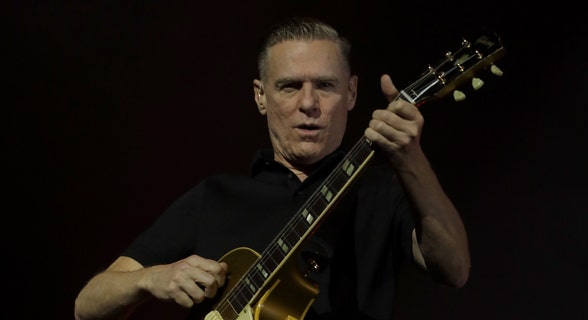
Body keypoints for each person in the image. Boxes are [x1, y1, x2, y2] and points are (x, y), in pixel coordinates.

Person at [74, 16, 470, 320]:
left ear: (351, 93)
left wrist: (410, 157)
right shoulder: (216, 196)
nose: (309, 103)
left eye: (326, 86)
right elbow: (87, 304)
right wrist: (152, 277)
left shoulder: (384, 189)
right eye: (289, 86)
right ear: (261, 96)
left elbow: (454, 268)